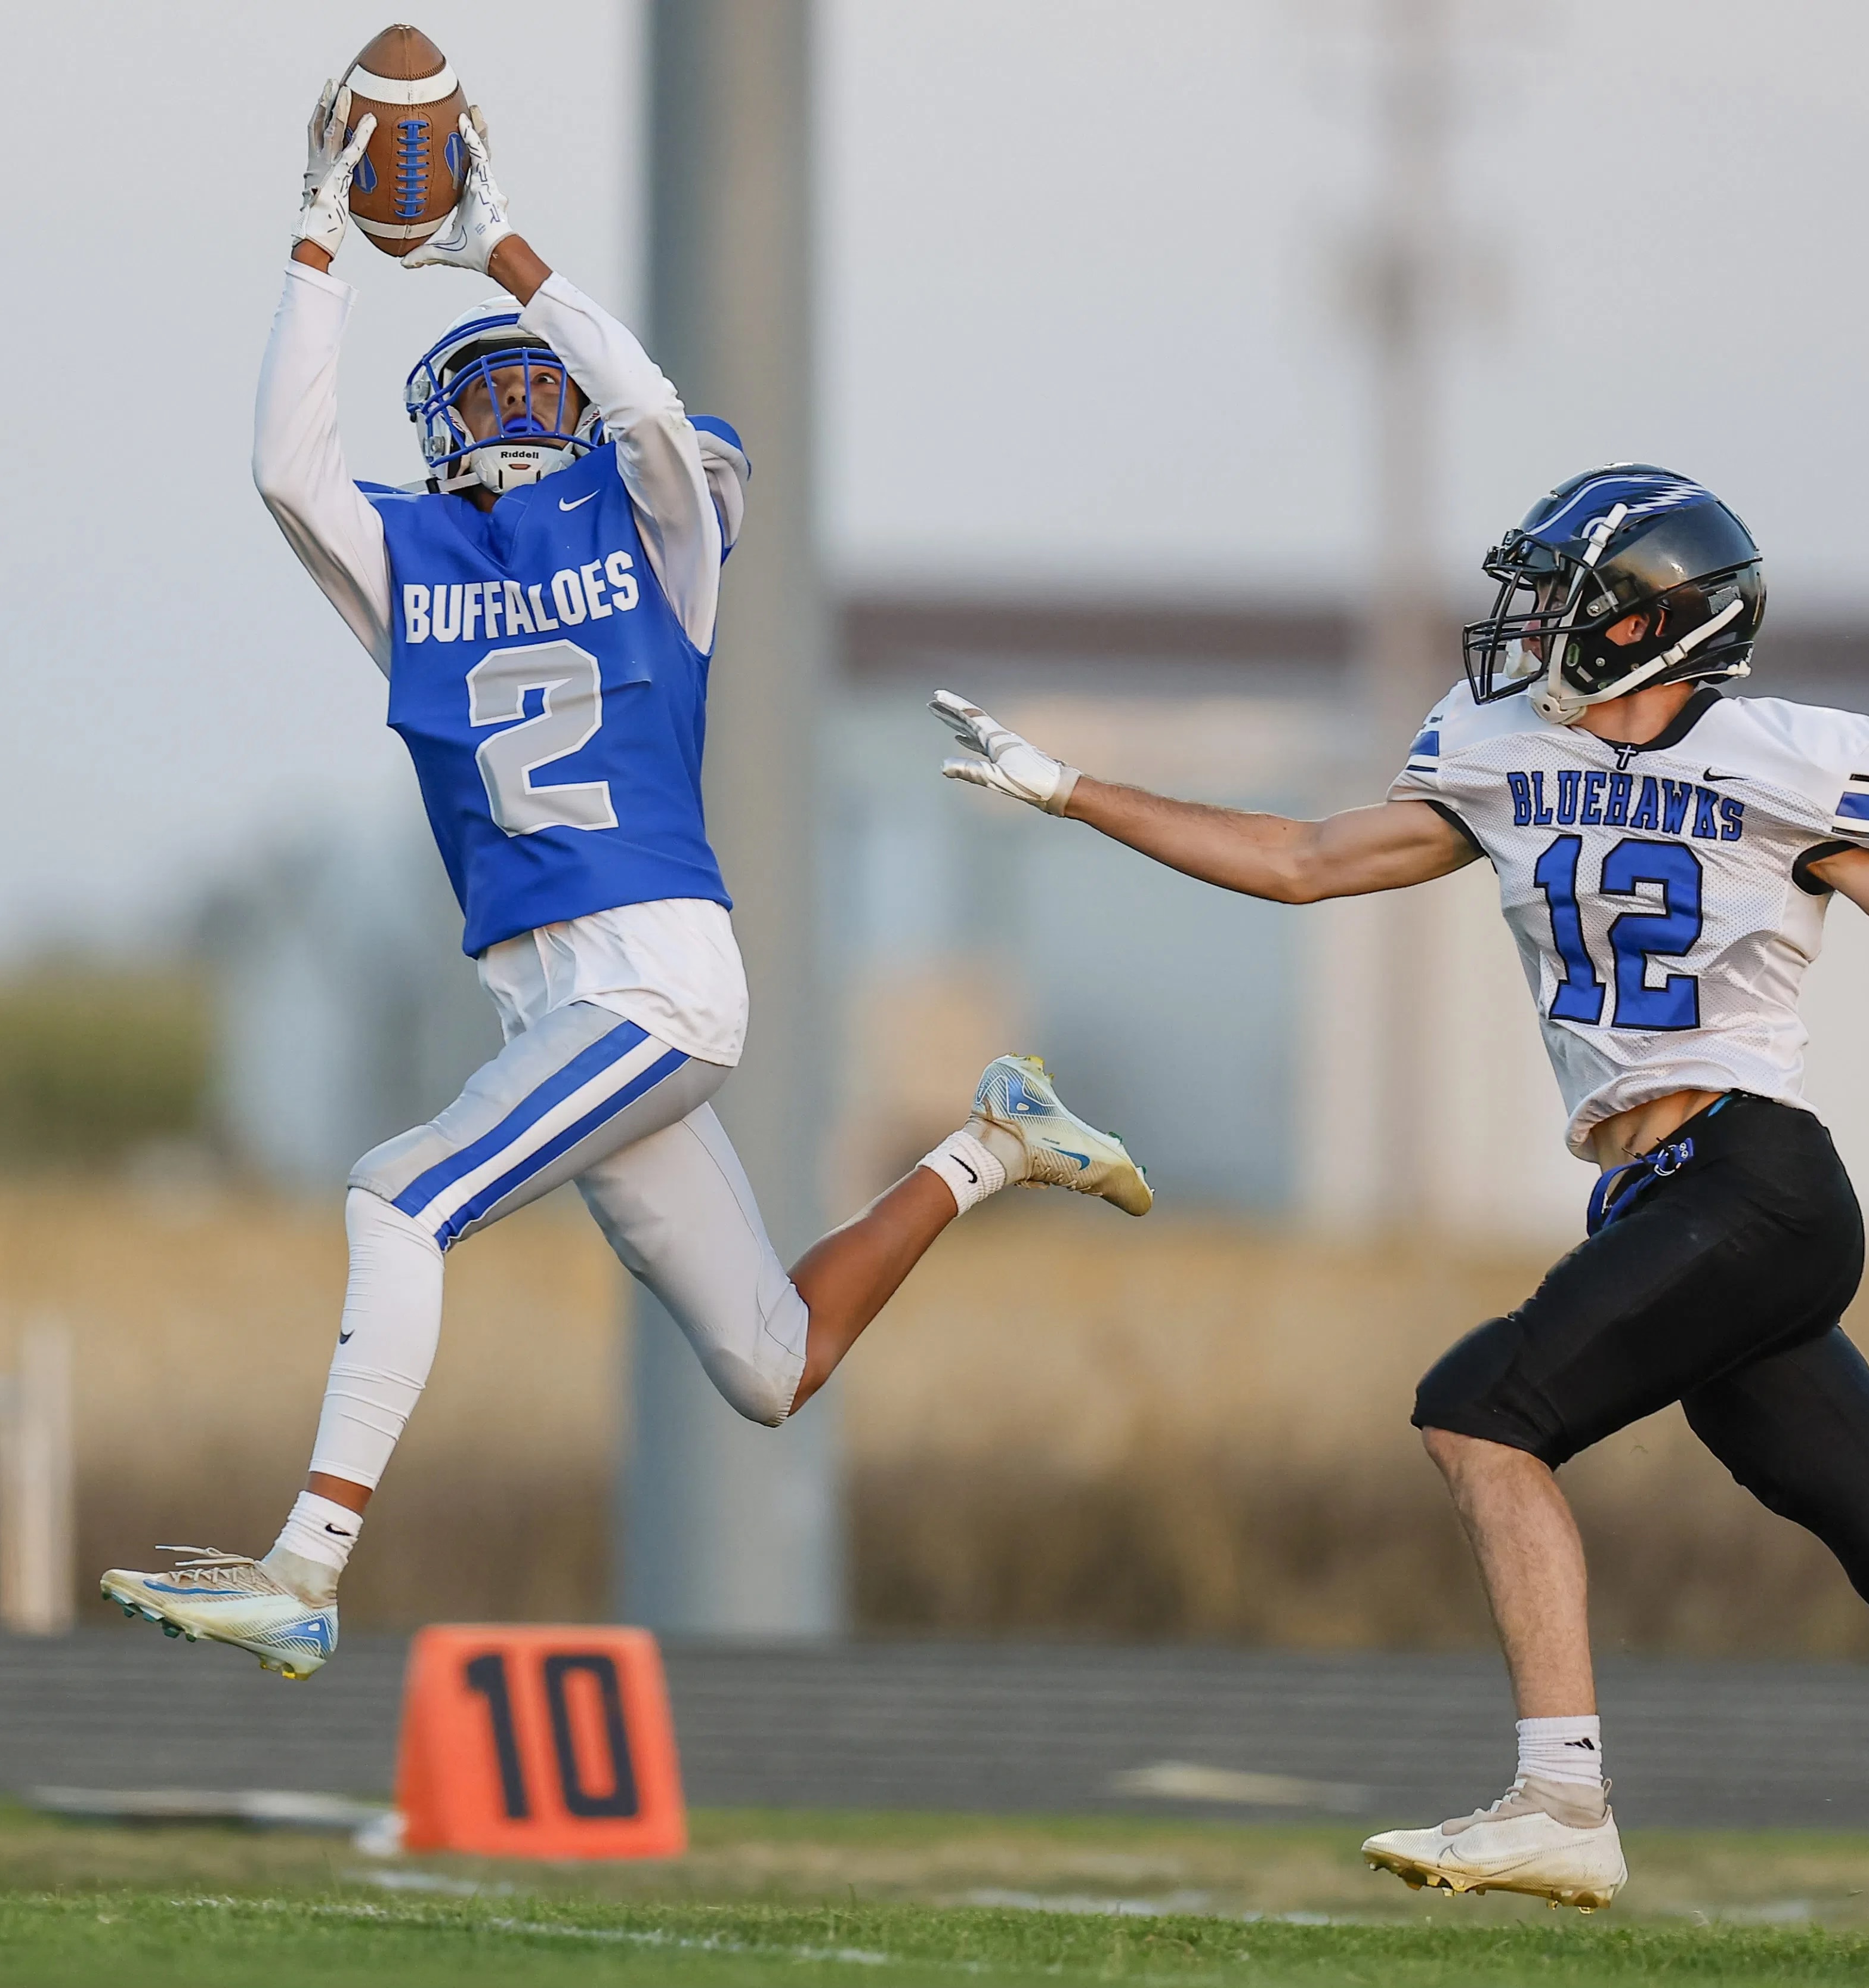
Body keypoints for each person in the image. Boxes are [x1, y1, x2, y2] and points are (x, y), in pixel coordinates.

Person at [929, 463, 1869, 1910]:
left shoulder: (1789, 760)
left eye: (1559, 599)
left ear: (1654, 622)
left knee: (1478, 1409)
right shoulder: (1498, 746)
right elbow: (1303, 857)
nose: (1525, 630)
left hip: (1756, 1177)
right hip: (1664, 1204)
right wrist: (1071, 791)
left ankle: (1559, 1798)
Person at [100, 85, 1150, 1680]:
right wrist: (320, 233)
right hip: (561, 1013)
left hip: (650, 982)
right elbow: (284, 468)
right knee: (767, 1363)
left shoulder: (656, 520)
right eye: (495, 385)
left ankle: (306, 1565)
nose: (527, 401)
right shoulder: (416, 566)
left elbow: (656, 412)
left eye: (543, 378)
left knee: (398, 1193)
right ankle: (998, 1140)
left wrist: (499, 250)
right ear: (443, 433)